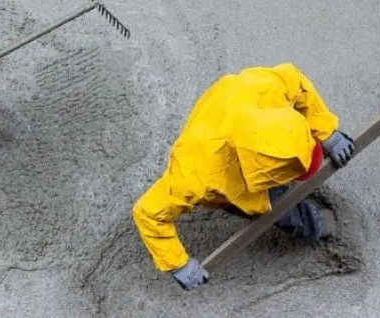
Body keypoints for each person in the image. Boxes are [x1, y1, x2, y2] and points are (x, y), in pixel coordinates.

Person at [132, 63, 355, 291]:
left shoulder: (260, 88)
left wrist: (327, 133)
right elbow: (147, 213)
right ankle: (317, 225)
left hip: (229, 110)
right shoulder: (195, 177)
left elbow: (297, 83)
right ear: (264, 176)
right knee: (280, 208)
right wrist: (177, 264)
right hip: (222, 175)